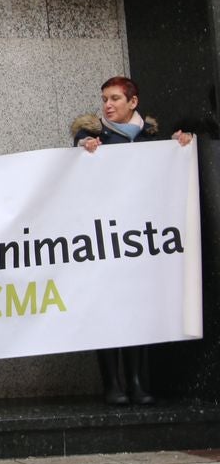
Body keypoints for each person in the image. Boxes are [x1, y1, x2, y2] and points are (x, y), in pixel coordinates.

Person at [72, 76, 193, 406]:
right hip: (105, 237)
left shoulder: (152, 138)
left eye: (114, 99)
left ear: (133, 102)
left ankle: (139, 381)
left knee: (138, 309)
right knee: (108, 309)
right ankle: (113, 383)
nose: (108, 105)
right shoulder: (92, 136)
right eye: (104, 99)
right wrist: (85, 148)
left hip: (142, 238)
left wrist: (181, 144)